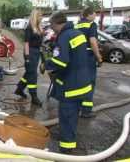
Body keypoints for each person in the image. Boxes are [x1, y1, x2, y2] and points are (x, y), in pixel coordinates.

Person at [42, 12, 92, 154]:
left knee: (66, 118)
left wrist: (46, 64)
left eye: (52, 25)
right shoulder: (78, 34)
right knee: (73, 117)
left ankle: (66, 148)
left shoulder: (64, 37)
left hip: (71, 87)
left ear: (57, 23)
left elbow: (61, 61)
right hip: (83, 84)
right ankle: (70, 139)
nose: (52, 29)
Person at [75, 7, 103, 118]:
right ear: (89, 15)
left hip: (77, 57)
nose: (95, 15)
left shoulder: (77, 25)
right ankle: (86, 110)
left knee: (79, 82)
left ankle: (76, 108)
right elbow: (92, 42)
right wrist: (99, 57)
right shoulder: (92, 25)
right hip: (88, 57)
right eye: (94, 13)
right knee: (89, 83)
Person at [14, 9, 43, 106]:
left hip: (37, 52)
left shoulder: (38, 28)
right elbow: (26, 43)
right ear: (35, 16)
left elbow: (39, 41)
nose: (41, 18)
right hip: (30, 52)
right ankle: (34, 96)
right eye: (40, 16)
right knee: (33, 74)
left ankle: (19, 89)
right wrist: (27, 57)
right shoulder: (29, 28)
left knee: (29, 73)